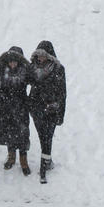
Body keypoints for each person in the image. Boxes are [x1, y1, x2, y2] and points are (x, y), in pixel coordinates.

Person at [28, 41, 66, 184]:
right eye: (38, 55)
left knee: (47, 137)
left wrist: (61, 113)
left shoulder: (58, 69)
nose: (40, 58)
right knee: (42, 136)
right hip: (36, 108)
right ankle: (47, 162)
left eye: (43, 55)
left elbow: (63, 93)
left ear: (50, 55)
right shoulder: (32, 67)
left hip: (52, 108)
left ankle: (44, 166)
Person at [0, 46, 32, 176]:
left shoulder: (26, 73)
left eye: (15, 61)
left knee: (23, 134)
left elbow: (37, 84)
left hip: (21, 108)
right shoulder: (3, 73)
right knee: (9, 133)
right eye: (10, 61)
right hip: (7, 109)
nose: (13, 63)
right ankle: (11, 157)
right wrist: (1, 99)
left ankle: (23, 160)